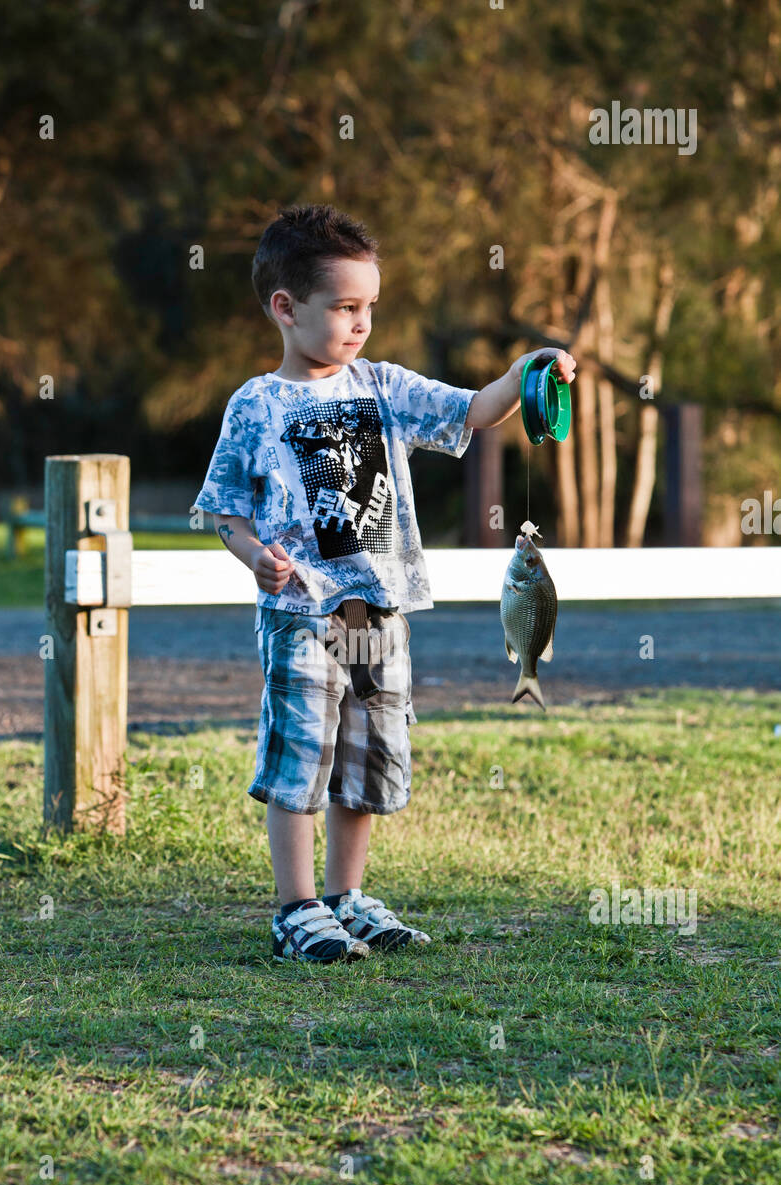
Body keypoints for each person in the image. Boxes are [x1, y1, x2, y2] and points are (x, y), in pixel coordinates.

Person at [193, 204, 576, 964]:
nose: (362, 322)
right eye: (344, 308)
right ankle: (295, 908)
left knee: (367, 758)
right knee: (303, 756)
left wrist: (524, 373)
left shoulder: (385, 387)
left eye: (369, 306)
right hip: (301, 613)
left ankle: (346, 897)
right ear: (285, 308)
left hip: (382, 614)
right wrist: (252, 556)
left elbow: (472, 411)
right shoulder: (256, 405)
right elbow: (224, 512)